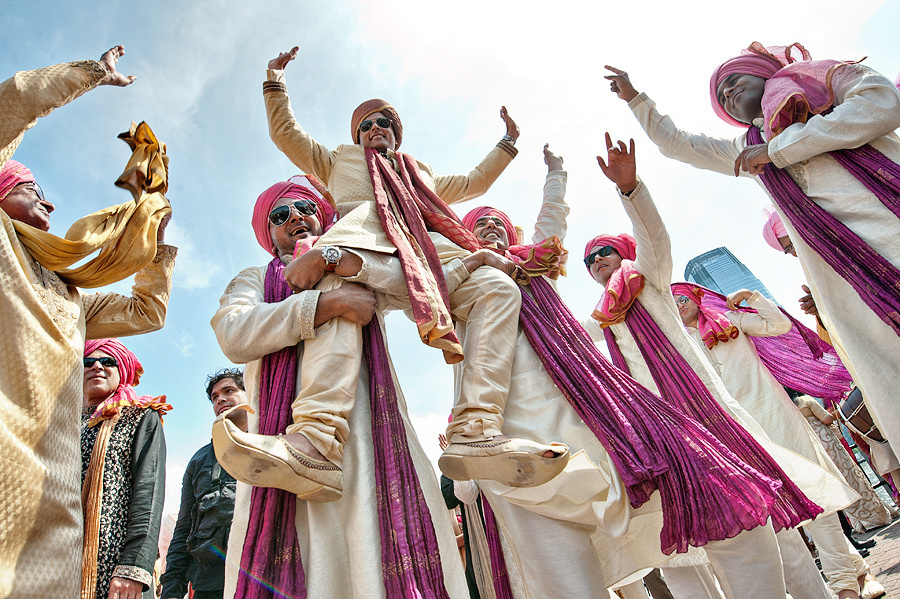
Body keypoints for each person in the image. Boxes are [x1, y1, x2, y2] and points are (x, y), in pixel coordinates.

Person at [460, 144, 786, 599]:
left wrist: (557, 170)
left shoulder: (537, 265)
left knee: (717, 484)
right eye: (477, 226)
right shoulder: (457, 281)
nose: (490, 228)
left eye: (497, 221)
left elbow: (551, 217)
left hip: (603, 404)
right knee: (568, 575)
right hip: (524, 429)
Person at [254, 46, 566, 493]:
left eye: (383, 122)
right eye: (366, 125)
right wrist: (274, 82)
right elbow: (287, 134)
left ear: (396, 133)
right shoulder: (337, 161)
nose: (375, 128)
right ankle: (314, 441)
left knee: (497, 288)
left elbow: (476, 182)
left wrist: (508, 143)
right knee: (340, 303)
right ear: (357, 136)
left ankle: (475, 429)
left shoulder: (422, 174)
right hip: (362, 251)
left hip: (427, 258)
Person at [580, 135, 859, 599]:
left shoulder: (649, 281)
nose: (596, 263)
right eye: (589, 262)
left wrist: (632, 191)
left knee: (779, 525)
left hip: (727, 419)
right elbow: (570, 343)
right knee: (733, 536)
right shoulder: (601, 318)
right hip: (677, 433)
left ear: (623, 254)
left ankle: (836, 586)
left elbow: (654, 237)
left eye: (602, 253)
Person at [603, 42, 900, 458]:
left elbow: (882, 104)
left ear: (764, 72)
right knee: (886, 360)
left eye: (733, 82)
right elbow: (681, 145)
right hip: (843, 271)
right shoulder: (748, 150)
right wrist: (636, 99)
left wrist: (777, 150)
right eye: (721, 95)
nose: (727, 94)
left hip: (889, 223)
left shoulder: (825, 81)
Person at [211, 176, 469, 599]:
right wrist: (324, 305)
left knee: (371, 558)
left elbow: (418, 288)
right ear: (269, 233)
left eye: (305, 208)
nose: (295, 216)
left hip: (370, 437)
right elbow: (234, 333)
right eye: (280, 214)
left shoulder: (353, 263)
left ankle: (319, 438)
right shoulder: (255, 278)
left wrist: (337, 258)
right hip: (281, 450)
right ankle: (312, 440)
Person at [0, 46, 176, 599]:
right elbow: (8, 108)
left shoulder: (71, 294)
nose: (50, 206)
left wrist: (153, 230)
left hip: (54, 486)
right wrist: (91, 74)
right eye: (34, 191)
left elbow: (147, 312)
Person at [671, 282, 872, 599]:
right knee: (786, 510)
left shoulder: (731, 320)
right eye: (670, 302)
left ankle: (844, 584)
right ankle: (856, 570)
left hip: (775, 414)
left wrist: (752, 298)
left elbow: (778, 325)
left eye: (681, 297)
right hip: (742, 436)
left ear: (696, 297)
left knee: (813, 494)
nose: (677, 304)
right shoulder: (677, 347)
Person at [81, 338, 169, 599]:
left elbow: (149, 493)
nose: (96, 366)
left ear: (123, 371)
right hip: (55, 555)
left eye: (107, 361)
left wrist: (133, 567)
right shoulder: (59, 420)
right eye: (88, 362)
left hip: (111, 566)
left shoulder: (142, 416)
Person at [160, 369, 248, 599]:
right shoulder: (200, 460)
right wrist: (172, 588)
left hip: (263, 575)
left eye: (229, 391)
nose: (220, 399)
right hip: (209, 584)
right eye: (214, 397)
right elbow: (183, 528)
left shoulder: (273, 443)